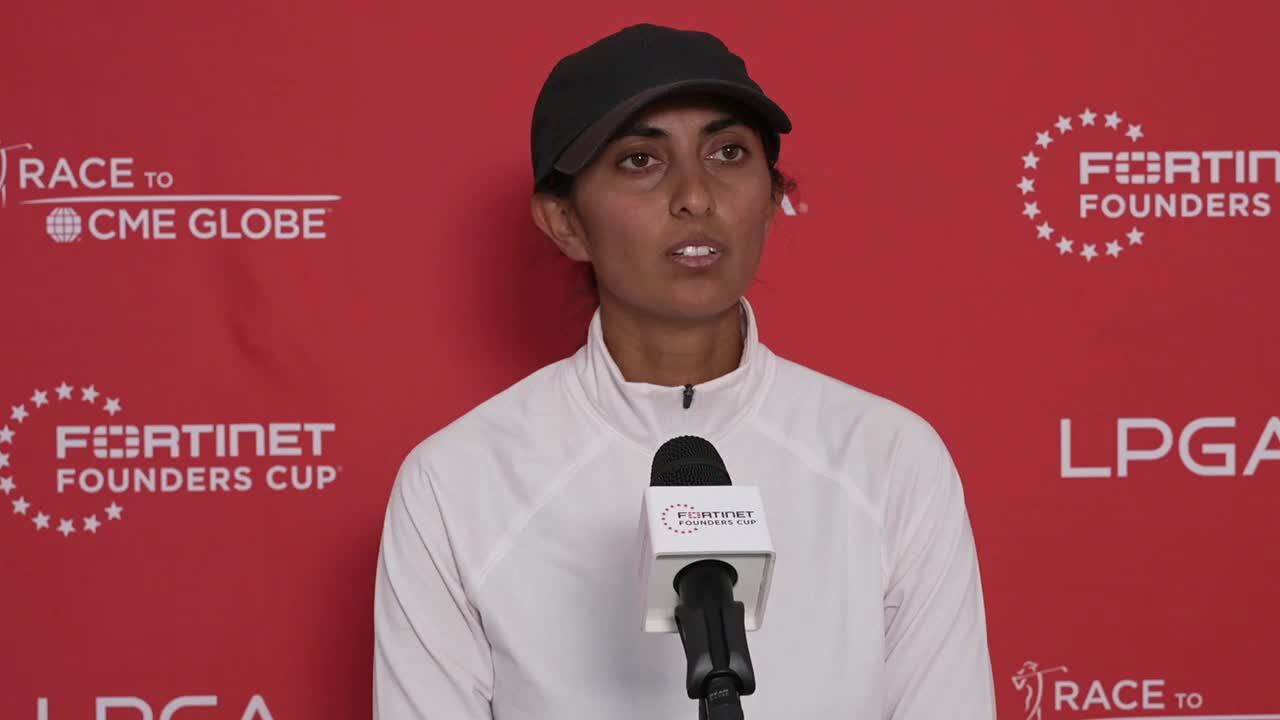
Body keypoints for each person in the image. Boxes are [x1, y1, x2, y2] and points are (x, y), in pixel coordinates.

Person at [373, 22, 996, 719]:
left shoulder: (889, 457)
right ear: (564, 222)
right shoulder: (456, 485)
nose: (696, 196)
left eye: (728, 153)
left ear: (771, 199)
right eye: (640, 160)